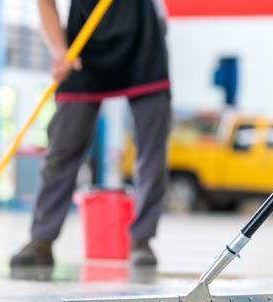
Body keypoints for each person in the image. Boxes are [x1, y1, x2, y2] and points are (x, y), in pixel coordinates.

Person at [10, 0, 171, 266]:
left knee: (151, 149)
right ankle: (41, 240)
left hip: (143, 44)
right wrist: (59, 51)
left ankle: (142, 240)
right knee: (62, 147)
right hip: (84, 45)